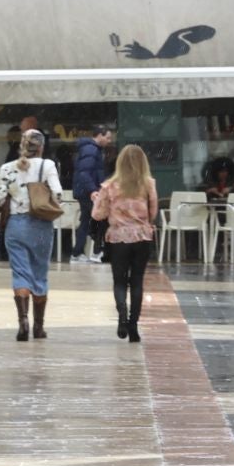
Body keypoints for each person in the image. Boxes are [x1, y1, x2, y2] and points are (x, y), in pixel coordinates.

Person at [0, 129, 62, 343]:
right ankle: (38, 328)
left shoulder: (6, 168)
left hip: (16, 226)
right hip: (41, 225)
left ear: (21, 145)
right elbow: (58, 194)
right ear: (40, 146)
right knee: (39, 273)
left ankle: (22, 321)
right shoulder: (47, 165)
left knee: (20, 272)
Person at [92, 144, 157, 343]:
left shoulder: (109, 186)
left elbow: (97, 215)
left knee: (119, 281)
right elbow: (152, 213)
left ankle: (122, 316)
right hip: (142, 237)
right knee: (137, 281)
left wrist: (96, 199)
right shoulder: (148, 183)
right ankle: (133, 325)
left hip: (118, 238)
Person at [70, 125, 113, 265]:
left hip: (85, 191)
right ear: (99, 135)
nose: (109, 141)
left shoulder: (91, 149)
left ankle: (78, 253)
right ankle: (96, 251)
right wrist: (92, 190)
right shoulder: (91, 150)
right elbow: (84, 172)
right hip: (89, 192)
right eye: (107, 137)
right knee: (100, 220)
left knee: (87, 221)